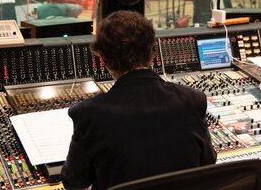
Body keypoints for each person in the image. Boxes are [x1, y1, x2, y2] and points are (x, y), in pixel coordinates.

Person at [61, 11, 216, 190]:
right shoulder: (192, 100)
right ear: (152, 52)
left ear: (104, 60)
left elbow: (74, 182)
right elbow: (208, 163)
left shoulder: (89, 113)